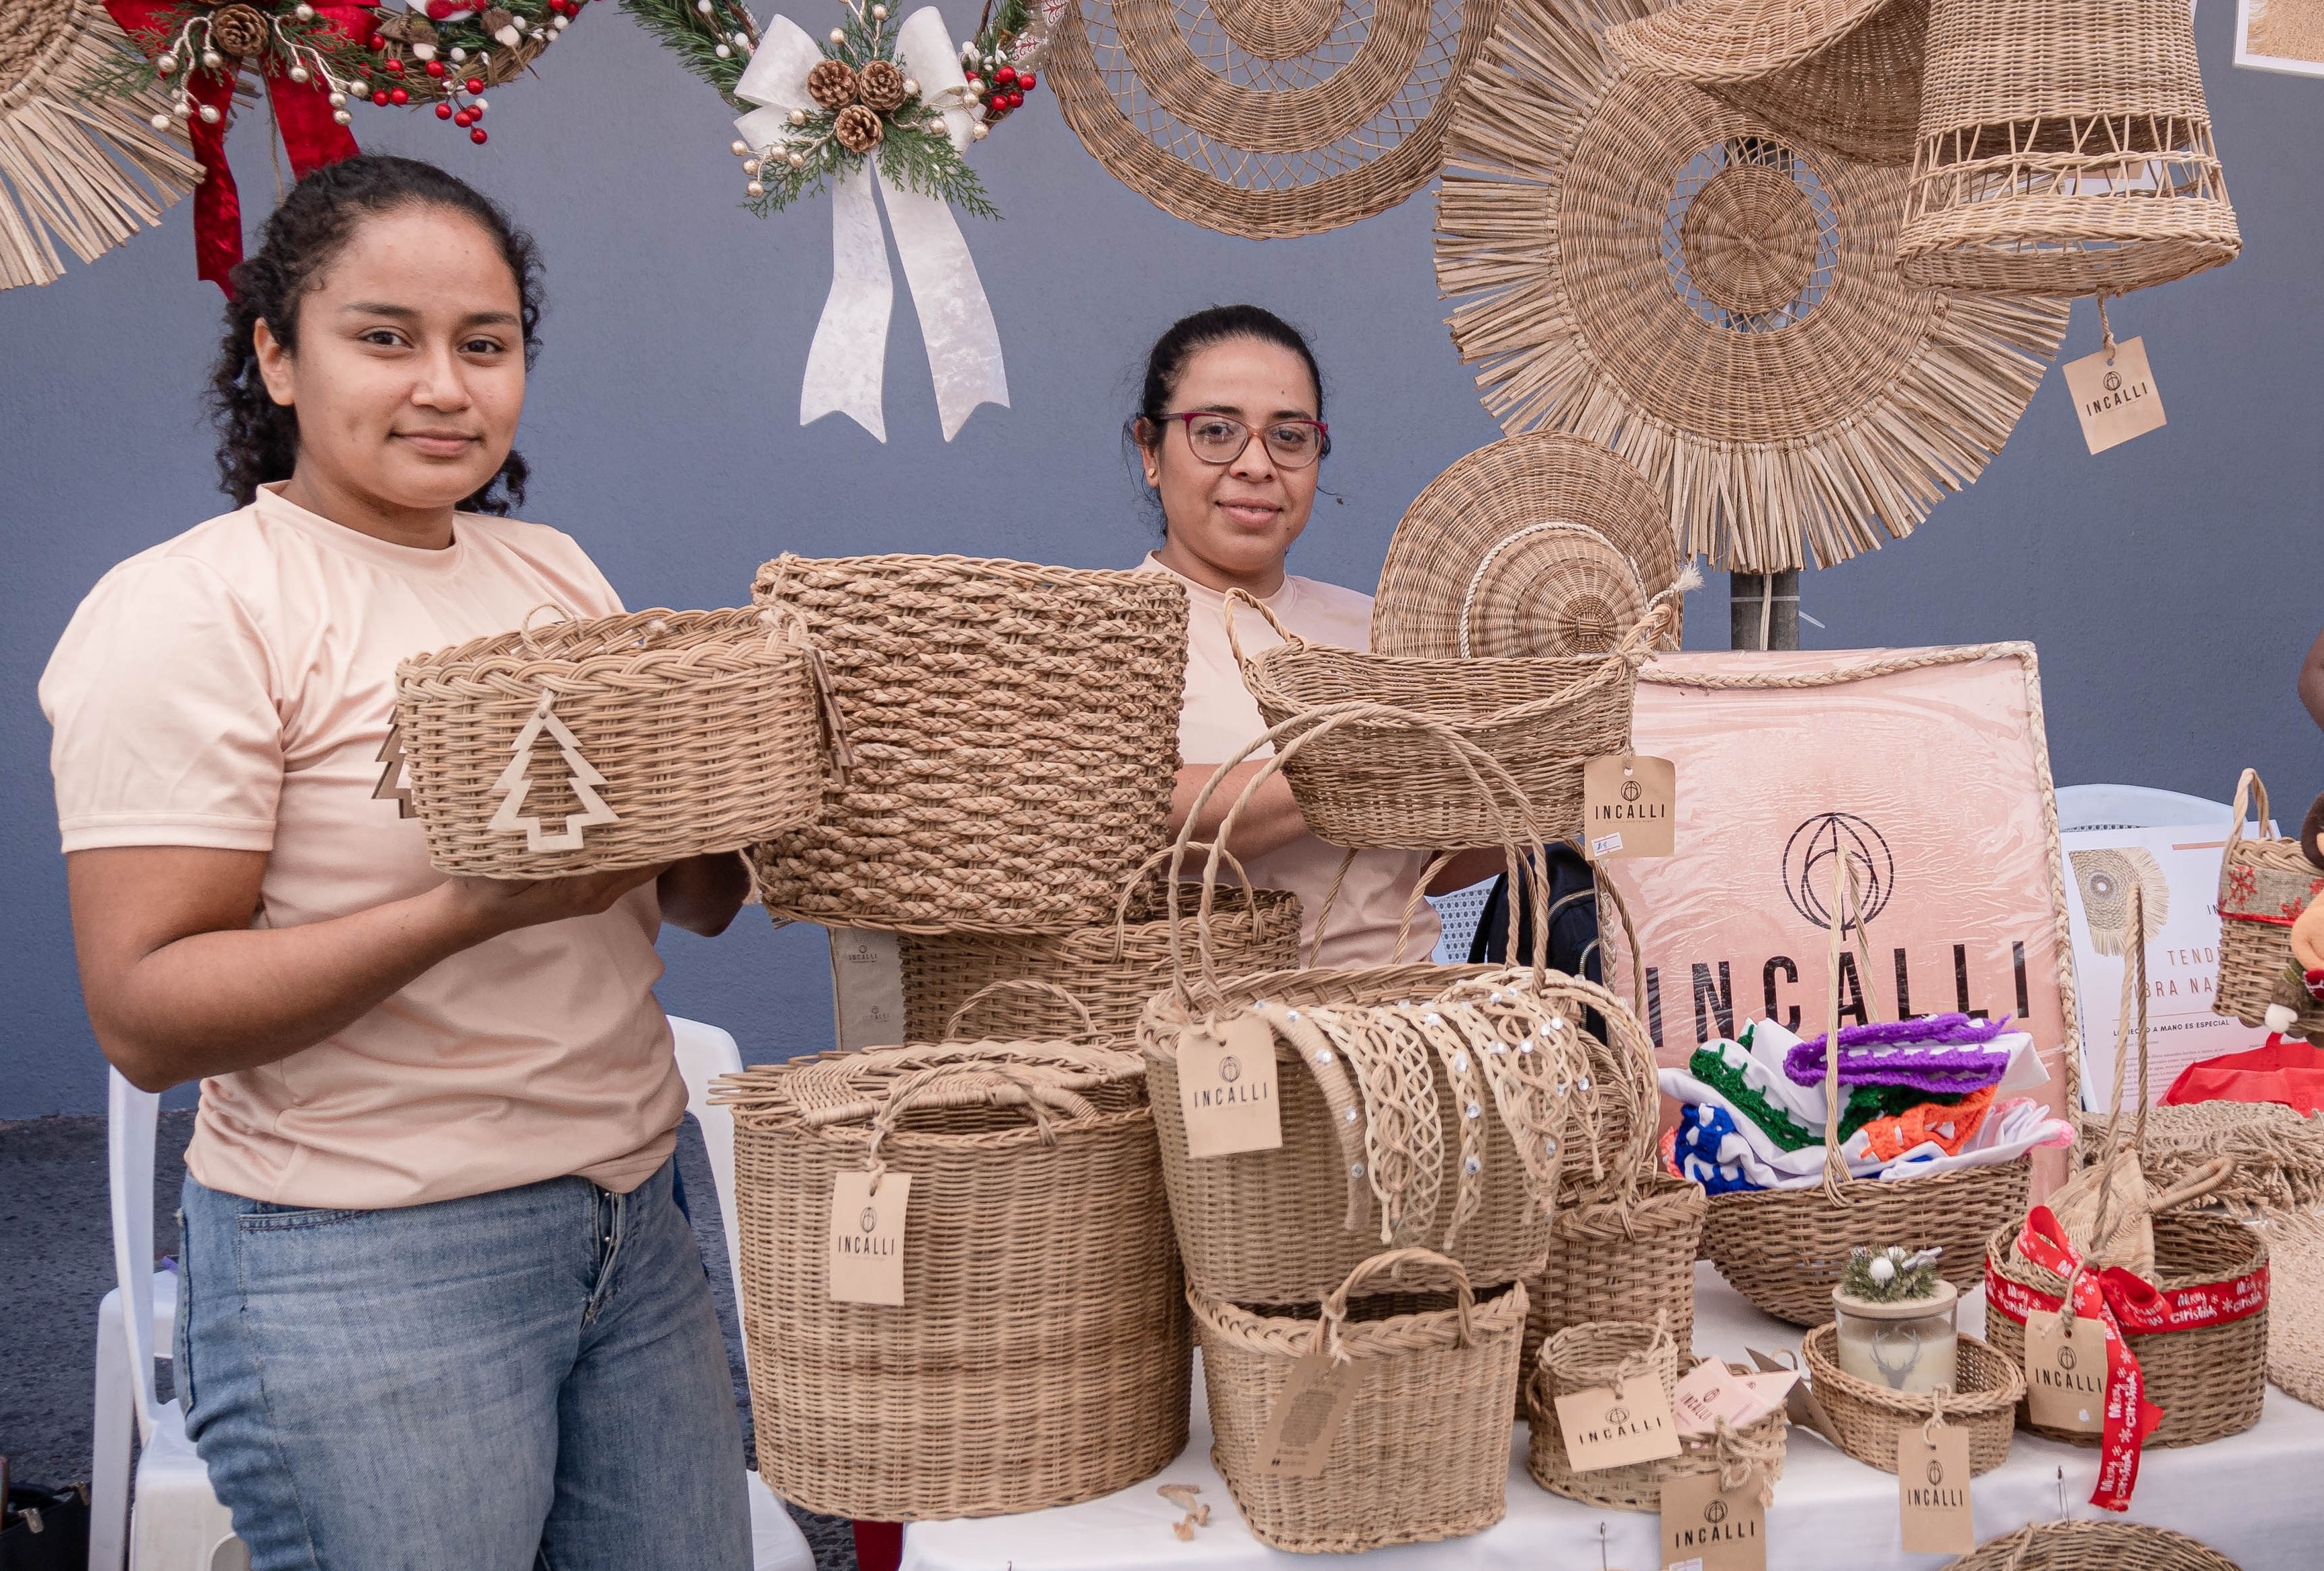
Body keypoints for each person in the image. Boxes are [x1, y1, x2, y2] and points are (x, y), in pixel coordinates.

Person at [40, 157, 755, 1571]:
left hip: (632, 1220)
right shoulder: (195, 606)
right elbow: (146, 1013)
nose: (444, 386)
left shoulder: (553, 571)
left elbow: (689, 902)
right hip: (367, 1260)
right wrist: (463, 908)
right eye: (385, 337)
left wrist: (745, 784)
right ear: (276, 357)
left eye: (484, 345)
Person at [1131, 305, 1501, 965]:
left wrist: (1566, 782)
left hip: (1406, 1009)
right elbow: (1130, 815)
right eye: (1215, 431)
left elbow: (1427, 863)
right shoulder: (1103, 634)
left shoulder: (1383, 630)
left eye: (1289, 436)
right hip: (1208, 1014)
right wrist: (1370, 749)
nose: (1256, 464)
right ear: (1149, 450)